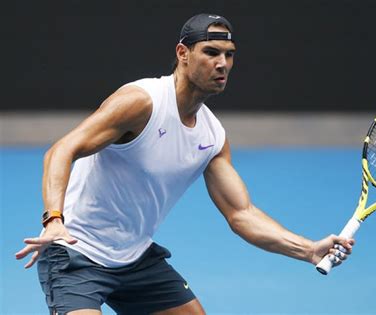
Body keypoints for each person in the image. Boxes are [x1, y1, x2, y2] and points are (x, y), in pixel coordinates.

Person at [16, 13, 355, 315]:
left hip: (136, 260)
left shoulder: (212, 136)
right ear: (183, 54)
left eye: (229, 55)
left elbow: (242, 214)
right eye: (211, 52)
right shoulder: (140, 102)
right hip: (76, 254)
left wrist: (308, 249)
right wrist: (55, 220)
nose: (222, 63)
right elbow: (62, 150)